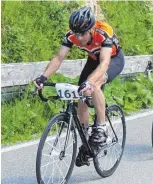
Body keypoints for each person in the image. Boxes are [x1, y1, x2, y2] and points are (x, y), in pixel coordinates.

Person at [34, 6, 125, 147]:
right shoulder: (72, 35)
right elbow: (59, 58)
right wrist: (43, 77)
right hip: (93, 59)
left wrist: (90, 82)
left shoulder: (103, 32)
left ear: (91, 29)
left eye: (82, 34)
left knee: (94, 85)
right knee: (80, 92)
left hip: (113, 60)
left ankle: (101, 127)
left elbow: (105, 62)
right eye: (76, 34)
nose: (79, 38)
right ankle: (86, 136)